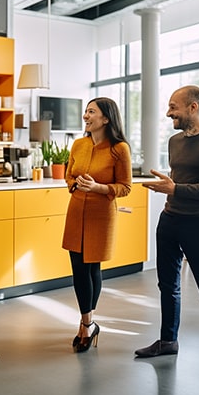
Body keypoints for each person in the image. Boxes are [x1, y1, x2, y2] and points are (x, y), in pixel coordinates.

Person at [134, 85, 199, 386]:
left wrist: (176, 188)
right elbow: (182, 178)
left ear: (193, 107)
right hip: (170, 219)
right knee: (167, 284)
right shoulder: (175, 141)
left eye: (173, 107)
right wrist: (170, 185)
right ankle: (168, 341)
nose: (168, 113)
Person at [62, 97, 132, 353]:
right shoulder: (78, 144)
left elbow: (125, 187)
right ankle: (88, 322)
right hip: (76, 210)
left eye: (91, 112)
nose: (85, 116)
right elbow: (69, 174)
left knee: (92, 267)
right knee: (78, 268)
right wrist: (75, 183)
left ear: (106, 118)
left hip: (101, 213)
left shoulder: (119, 149)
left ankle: (86, 324)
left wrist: (98, 187)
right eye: (85, 112)